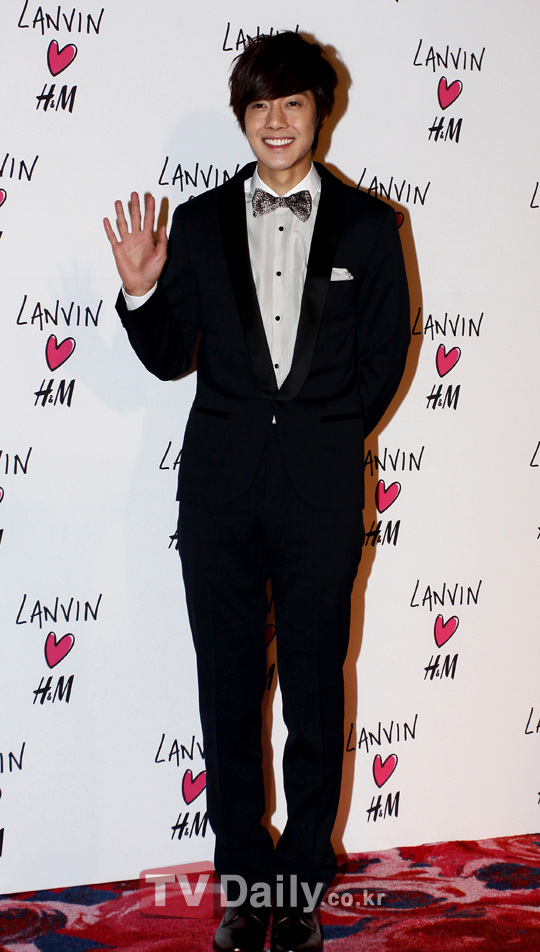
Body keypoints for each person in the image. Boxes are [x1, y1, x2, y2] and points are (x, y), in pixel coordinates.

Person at [104, 31, 410, 952]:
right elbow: (169, 358)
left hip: (321, 496)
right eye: (260, 105)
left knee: (315, 696)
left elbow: (383, 358)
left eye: (293, 103)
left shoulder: (372, 227)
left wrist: (322, 442)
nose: (276, 121)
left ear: (321, 112)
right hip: (219, 496)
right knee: (229, 697)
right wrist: (142, 293)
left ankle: (303, 885)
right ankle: (244, 886)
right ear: (243, 117)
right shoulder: (199, 224)